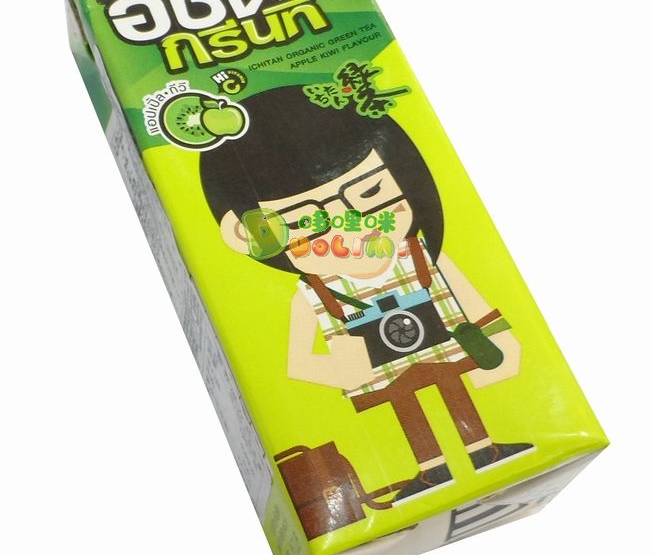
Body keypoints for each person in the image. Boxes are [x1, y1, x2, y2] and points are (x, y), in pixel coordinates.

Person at [200, 84, 533, 502]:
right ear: (245, 233)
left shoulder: (420, 255)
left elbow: (473, 302)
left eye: (370, 194)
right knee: (408, 411)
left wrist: (500, 339)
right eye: (305, 221)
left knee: (456, 393)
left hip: (444, 349)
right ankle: (432, 471)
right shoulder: (314, 292)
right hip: (381, 371)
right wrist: (340, 369)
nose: (349, 227)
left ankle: (484, 450)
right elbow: (298, 362)